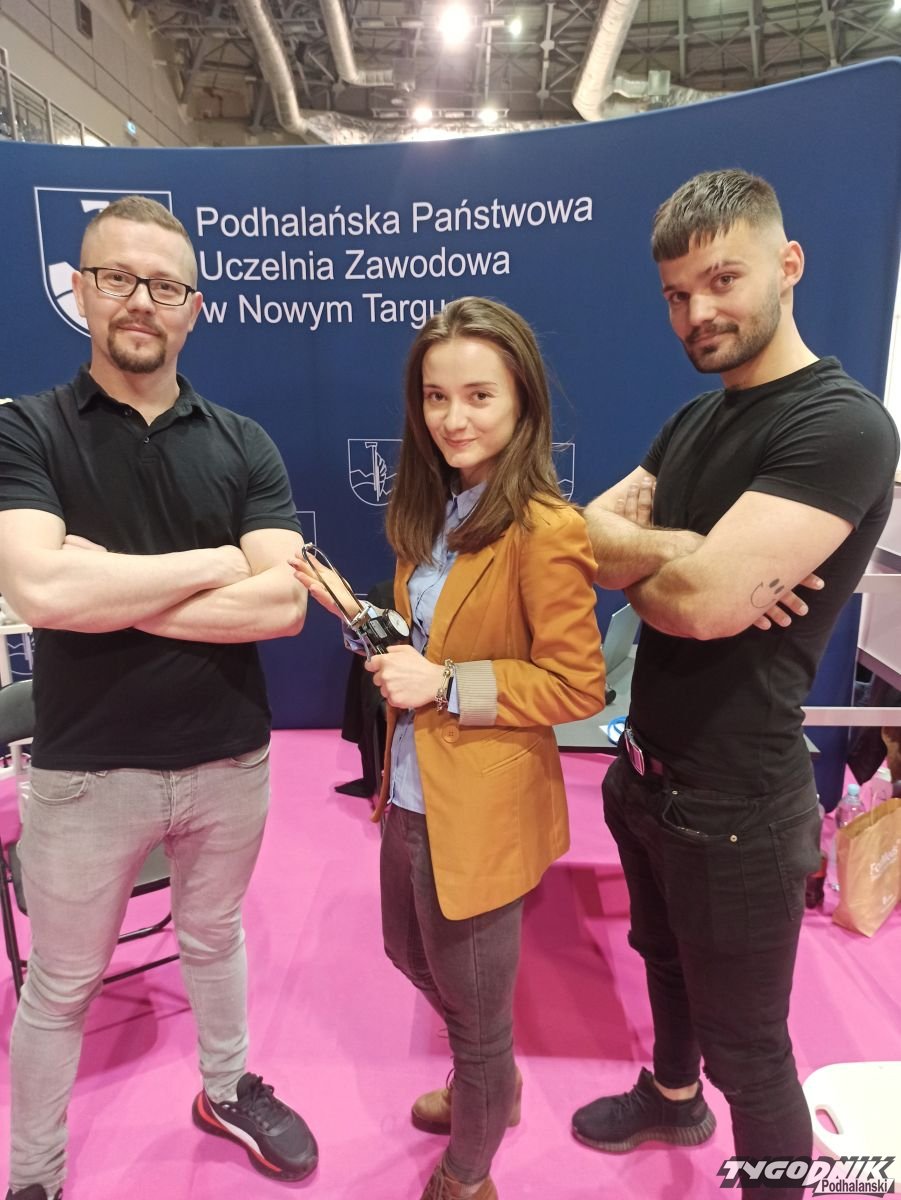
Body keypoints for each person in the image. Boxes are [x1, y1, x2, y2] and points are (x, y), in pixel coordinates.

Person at [570, 169, 899, 1197]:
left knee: (751, 1052)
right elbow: (582, 539)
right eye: (677, 294)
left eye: (722, 279)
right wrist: (689, 554)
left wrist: (682, 572)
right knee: (660, 960)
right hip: (644, 769)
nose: (698, 312)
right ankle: (672, 1098)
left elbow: (699, 604)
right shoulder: (690, 423)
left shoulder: (841, 426)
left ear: (787, 264)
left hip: (736, 803)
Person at [0, 196, 318, 1200]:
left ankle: (225, 1089)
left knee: (214, 938)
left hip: (230, 759)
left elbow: (284, 605)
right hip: (87, 777)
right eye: (118, 278)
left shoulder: (242, 441)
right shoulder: (25, 429)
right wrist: (215, 562)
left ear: (193, 307)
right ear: (81, 290)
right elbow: (42, 591)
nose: (141, 300)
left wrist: (107, 583)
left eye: (165, 285)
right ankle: (35, 1174)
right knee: (61, 986)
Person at [292, 297, 606, 1200]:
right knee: (407, 955)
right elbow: (424, 643)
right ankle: (490, 1079)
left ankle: (470, 1168)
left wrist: (446, 685)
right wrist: (362, 620)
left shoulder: (546, 528)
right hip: (410, 785)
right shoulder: (432, 509)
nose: (453, 418)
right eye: (436, 397)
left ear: (521, 402)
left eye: (478, 395)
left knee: (472, 1012)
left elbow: (578, 686)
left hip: (483, 806)